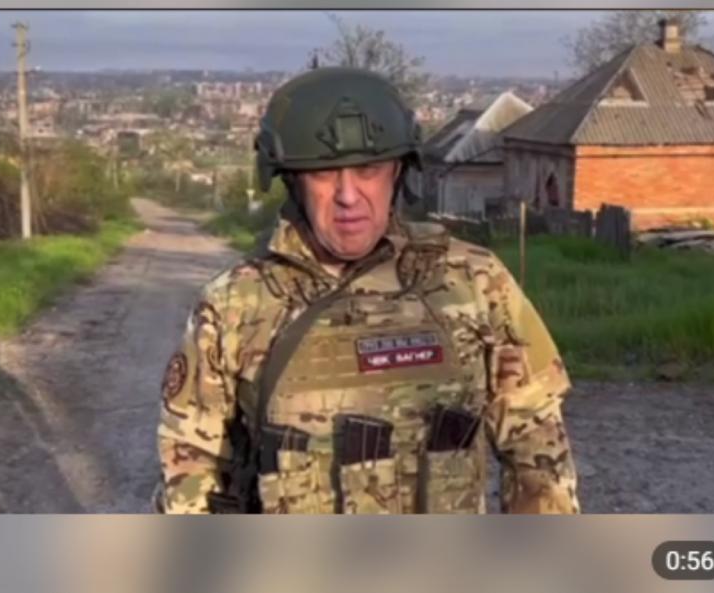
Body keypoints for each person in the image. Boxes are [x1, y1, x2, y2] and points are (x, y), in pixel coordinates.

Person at [155, 67, 580, 514]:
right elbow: (190, 472)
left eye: (367, 170)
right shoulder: (233, 305)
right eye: (324, 174)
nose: (348, 196)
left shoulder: (474, 282)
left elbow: (539, 455)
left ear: (397, 171)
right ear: (293, 181)